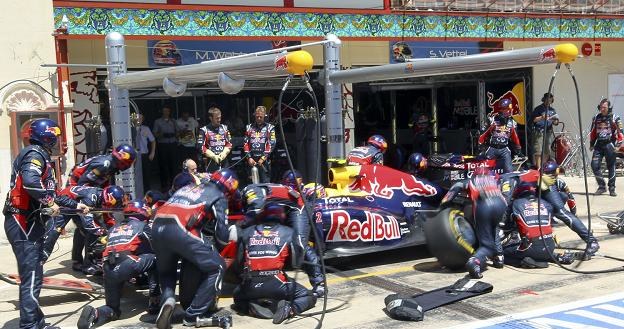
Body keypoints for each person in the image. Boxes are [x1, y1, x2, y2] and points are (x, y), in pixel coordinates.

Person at [3, 119, 89, 329]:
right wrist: (49, 202)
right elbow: (31, 182)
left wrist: (77, 206)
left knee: (35, 274)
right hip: (23, 221)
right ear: (47, 135)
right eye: (55, 136)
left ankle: (36, 322)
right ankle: (30, 325)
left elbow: (55, 193)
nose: (58, 140)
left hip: (29, 222)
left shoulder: (41, 156)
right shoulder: (34, 154)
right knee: (31, 276)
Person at [151, 169, 238, 329]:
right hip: (179, 228)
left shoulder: (188, 187)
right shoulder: (219, 195)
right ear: (230, 186)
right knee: (217, 266)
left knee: (166, 273)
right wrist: (224, 243)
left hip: (156, 226)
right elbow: (221, 234)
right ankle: (193, 315)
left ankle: (168, 300)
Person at [77, 201, 160, 329]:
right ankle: (155, 300)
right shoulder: (142, 226)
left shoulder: (113, 228)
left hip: (107, 268)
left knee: (113, 309)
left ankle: (95, 313)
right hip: (127, 264)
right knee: (155, 259)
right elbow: (155, 247)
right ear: (141, 212)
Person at [233, 203, 317, 324]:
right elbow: (295, 263)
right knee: (309, 296)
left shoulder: (246, 232)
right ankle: (290, 309)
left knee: (237, 297)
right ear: (281, 216)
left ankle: (251, 308)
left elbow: (239, 262)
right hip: (277, 282)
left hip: (250, 283)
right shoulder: (288, 232)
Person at [500, 169, 600, 256]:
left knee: (561, 212)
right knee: (515, 209)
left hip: (542, 183)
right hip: (528, 187)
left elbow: (504, 205)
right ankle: (514, 237)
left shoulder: (504, 182)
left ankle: (591, 241)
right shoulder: (499, 182)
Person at [45, 185, 125, 275]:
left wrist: (115, 230)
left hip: (78, 207)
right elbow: (89, 224)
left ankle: (82, 263)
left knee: (84, 232)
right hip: (63, 205)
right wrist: (105, 233)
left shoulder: (101, 196)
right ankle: (36, 264)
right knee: (50, 238)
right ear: (109, 200)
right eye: (115, 204)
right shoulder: (90, 198)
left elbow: (107, 217)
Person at [502, 181, 573, 268]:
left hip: (531, 248)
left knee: (501, 253)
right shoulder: (546, 203)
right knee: (537, 244)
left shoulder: (516, 204)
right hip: (550, 247)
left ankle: (523, 262)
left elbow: (506, 225)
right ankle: (552, 257)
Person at [458, 168, 508, 278]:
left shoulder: (471, 180)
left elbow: (456, 187)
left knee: (487, 245)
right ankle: (499, 257)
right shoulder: (495, 179)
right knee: (494, 229)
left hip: (484, 206)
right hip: (501, 205)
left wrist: (443, 205)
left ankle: (474, 261)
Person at [478, 98, 522, 173]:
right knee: (485, 170)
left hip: (504, 149)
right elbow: (484, 133)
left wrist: (518, 147)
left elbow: (515, 137)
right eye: (508, 109)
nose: (510, 111)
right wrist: (480, 144)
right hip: (492, 148)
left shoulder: (512, 122)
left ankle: (507, 182)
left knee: (509, 171)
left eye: (509, 109)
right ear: (503, 109)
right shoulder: (492, 120)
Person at [589, 98, 623, 196]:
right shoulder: (596, 117)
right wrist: (591, 144)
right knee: (594, 165)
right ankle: (602, 187)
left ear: (608, 107)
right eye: (601, 107)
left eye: (604, 107)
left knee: (611, 166)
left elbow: (621, 132)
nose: (602, 109)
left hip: (610, 144)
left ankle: (612, 188)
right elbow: (593, 132)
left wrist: (618, 145)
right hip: (599, 145)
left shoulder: (615, 117)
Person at [68, 144, 137, 187]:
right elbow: (82, 183)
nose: (127, 166)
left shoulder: (112, 166)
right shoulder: (104, 166)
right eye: (128, 163)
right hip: (73, 185)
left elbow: (103, 183)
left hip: (84, 186)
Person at [243, 106, 276, 183]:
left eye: (261, 117)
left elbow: (272, 143)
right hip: (252, 160)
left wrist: (263, 158)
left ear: (265, 115)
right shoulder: (249, 127)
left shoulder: (270, 128)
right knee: (252, 185)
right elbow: (245, 143)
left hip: (264, 162)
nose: (258, 119)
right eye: (257, 116)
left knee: (265, 184)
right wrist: (249, 158)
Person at [197, 107, 232, 173]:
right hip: (210, 161)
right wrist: (212, 155)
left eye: (220, 117)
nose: (219, 120)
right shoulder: (204, 130)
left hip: (224, 160)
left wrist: (224, 152)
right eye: (217, 118)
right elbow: (200, 146)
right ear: (211, 118)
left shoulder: (225, 128)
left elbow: (229, 143)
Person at [531, 93, 559, 168]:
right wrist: (542, 117)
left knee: (547, 150)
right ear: (544, 99)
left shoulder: (552, 110)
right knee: (538, 150)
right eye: (547, 99)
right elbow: (533, 120)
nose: (549, 100)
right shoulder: (538, 108)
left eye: (550, 99)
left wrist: (554, 121)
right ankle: (539, 168)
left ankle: (544, 167)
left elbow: (556, 122)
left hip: (548, 131)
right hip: (539, 131)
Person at [153, 107, 178, 190]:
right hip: (163, 144)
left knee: (173, 165)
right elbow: (155, 134)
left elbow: (178, 132)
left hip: (172, 144)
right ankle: (164, 185)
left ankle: (173, 184)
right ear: (162, 112)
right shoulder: (158, 121)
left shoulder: (173, 121)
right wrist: (161, 134)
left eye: (167, 111)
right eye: (164, 111)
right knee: (163, 165)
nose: (166, 112)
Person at [136, 113, 156, 193]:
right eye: (137, 119)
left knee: (146, 175)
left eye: (140, 119)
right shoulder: (130, 128)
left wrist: (152, 152)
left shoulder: (145, 128)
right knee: (137, 175)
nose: (138, 120)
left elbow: (153, 140)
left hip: (144, 154)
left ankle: (147, 194)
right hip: (135, 155)